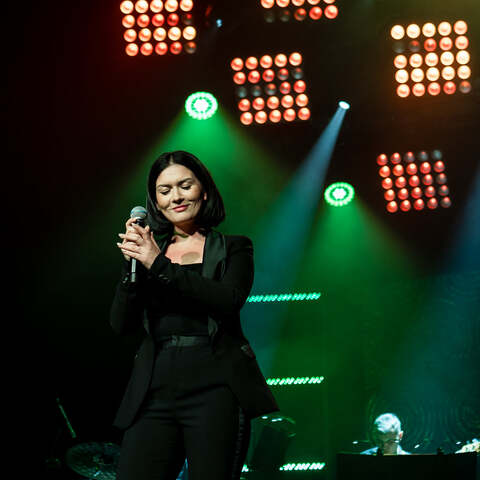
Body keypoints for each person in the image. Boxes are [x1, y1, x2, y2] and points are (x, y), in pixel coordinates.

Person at [111, 150, 278, 480]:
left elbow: (227, 300)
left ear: (203, 190)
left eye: (185, 186)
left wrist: (158, 264)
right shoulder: (147, 254)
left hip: (215, 387)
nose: (176, 197)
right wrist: (132, 270)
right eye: (164, 190)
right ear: (155, 202)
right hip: (154, 388)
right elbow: (120, 324)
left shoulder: (233, 247)